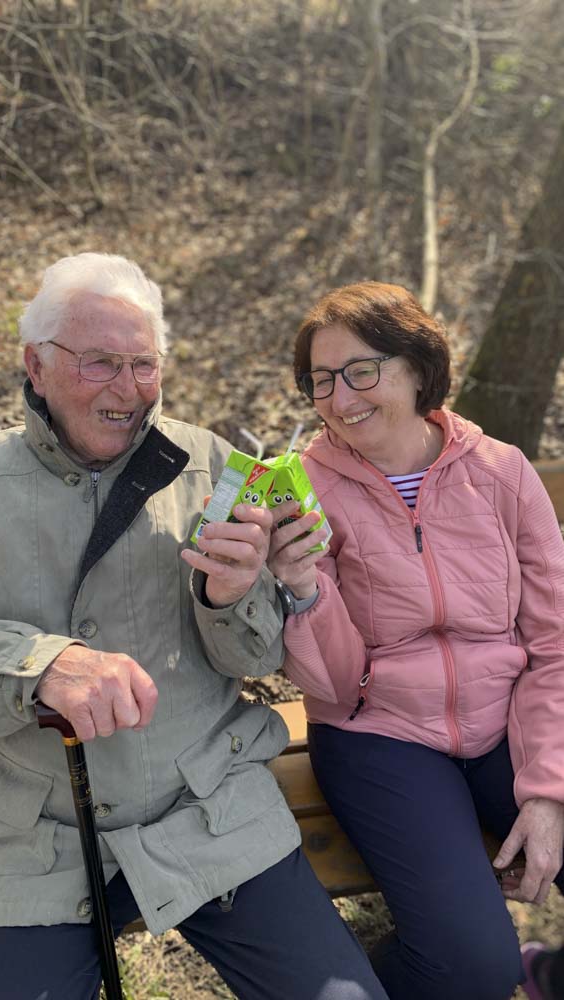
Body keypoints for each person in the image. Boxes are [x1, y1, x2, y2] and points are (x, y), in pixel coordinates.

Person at [0, 253, 389, 1000]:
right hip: (40, 828)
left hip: (207, 803)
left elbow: (253, 658)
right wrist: (41, 665)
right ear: (36, 366)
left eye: (144, 364)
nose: (128, 388)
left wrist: (230, 596)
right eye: (99, 363)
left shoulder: (210, 465)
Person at [266, 280, 564, 1000]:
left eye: (360, 371)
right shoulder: (298, 489)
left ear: (417, 366)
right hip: (382, 738)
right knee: (472, 967)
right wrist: (303, 588)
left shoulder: (501, 472)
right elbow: (332, 686)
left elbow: (554, 643)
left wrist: (549, 791)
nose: (339, 398)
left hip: (510, 722)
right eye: (320, 380)